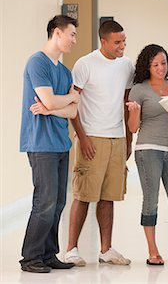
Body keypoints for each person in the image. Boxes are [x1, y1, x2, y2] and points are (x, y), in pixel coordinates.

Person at [64, 20, 134, 266]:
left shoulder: (127, 66)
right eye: (117, 42)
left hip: (117, 138)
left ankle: (106, 249)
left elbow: (126, 102)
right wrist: (82, 137)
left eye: (124, 41)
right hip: (91, 137)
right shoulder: (85, 64)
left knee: (108, 196)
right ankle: (71, 249)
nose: (122, 46)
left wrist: (129, 138)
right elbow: (74, 104)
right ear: (103, 41)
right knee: (83, 195)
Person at [19, 15, 79, 273]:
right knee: (44, 202)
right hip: (41, 143)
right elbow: (55, 101)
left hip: (61, 143)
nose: (74, 40)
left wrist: (54, 107)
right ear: (57, 32)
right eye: (72, 34)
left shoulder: (65, 72)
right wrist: (66, 100)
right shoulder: (37, 63)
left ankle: (48, 254)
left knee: (58, 202)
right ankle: (30, 258)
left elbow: (73, 112)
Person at [126, 44, 168, 265]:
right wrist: (134, 113)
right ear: (147, 66)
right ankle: (152, 251)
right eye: (155, 64)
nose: (160, 68)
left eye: (163, 63)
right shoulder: (140, 89)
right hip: (148, 150)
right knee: (151, 200)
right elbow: (133, 128)